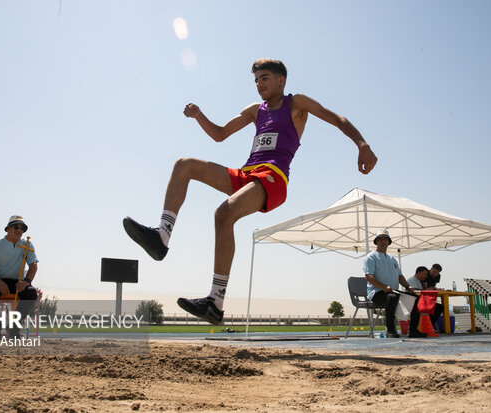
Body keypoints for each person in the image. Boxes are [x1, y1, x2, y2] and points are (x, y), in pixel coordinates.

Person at [123, 58, 378, 325]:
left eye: (264, 78)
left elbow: (337, 118)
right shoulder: (256, 110)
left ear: (281, 80)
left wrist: (362, 144)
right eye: (256, 80)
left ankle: (215, 299)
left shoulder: (297, 103)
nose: (259, 84)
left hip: (273, 177)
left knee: (223, 213)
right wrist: (199, 116)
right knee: (184, 165)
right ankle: (161, 236)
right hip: (247, 174)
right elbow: (220, 134)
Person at [0, 215, 38, 339]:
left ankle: (13, 327)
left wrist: (27, 281)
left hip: (17, 282)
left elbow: (33, 266)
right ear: (7, 228)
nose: (19, 230)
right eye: (16, 226)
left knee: (31, 293)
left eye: (22, 228)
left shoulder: (27, 244)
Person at [364, 229, 427, 338]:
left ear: (389, 242)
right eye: (380, 239)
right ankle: (391, 330)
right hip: (377, 292)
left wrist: (408, 286)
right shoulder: (370, 257)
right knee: (392, 297)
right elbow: (369, 277)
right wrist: (384, 287)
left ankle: (413, 330)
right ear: (376, 242)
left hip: (393, 291)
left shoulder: (392, 259)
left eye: (385, 239)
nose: (383, 241)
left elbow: (399, 276)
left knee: (416, 298)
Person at [405, 265, 445, 331]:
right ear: (419, 273)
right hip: (413, 302)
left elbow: (421, 290)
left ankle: (428, 326)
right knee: (437, 307)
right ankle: (427, 327)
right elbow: (415, 291)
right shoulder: (411, 280)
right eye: (425, 274)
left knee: (439, 307)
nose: (426, 276)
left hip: (419, 301)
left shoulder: (418, 281)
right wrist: (429, 290)